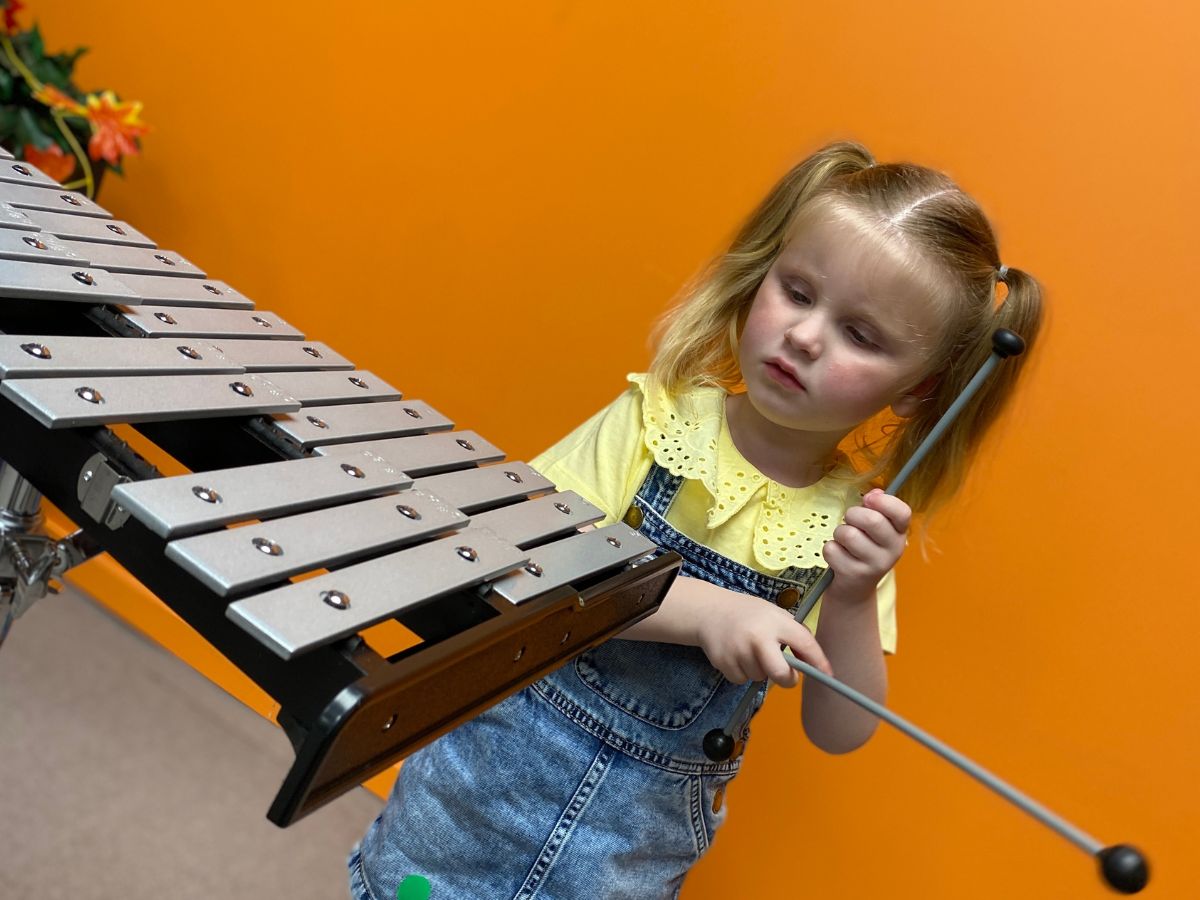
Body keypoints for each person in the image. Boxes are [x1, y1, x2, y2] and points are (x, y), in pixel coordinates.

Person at [349, 140, 1043, 900]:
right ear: (760, 277)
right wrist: (708, 610)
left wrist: (848, 599)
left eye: (862, 335)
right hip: (481, 788)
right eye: (799, 291)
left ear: (918, 392)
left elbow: (840, 730)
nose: (806, 336)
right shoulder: (656, 421)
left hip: (626, 853)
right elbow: (523, 559)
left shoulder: (849, 532)